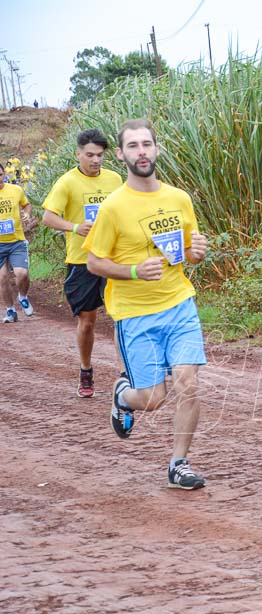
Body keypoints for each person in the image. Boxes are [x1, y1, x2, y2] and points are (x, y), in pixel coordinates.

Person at [83, 119, 211, 490]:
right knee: (153, 399)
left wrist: (196, 252)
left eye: (147, 144)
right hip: (135, 314)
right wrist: (135, 271)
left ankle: (179, 463)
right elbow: (94, 262)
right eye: (133, 146)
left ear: (157, 149)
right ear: (121, 155)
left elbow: (184, 251)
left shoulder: (178, 198)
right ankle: (123, 396)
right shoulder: (114, 207)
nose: (142, 152)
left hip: (179, 304)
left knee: (187, 383)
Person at [42, 128, 123, 397]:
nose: (95, 160)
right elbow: (48, 217)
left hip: (112, 258)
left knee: (120, 317)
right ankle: (86, 370)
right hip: (82, 260)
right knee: (87, 321)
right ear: (78, 154)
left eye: (100, 155)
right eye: (90, 155)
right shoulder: (67, 183)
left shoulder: (115, 179)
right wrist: (75, 227)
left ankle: (125, 374)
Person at [0, 170, 37, 323]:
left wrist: (27, 215)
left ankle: (23, 296)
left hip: (16, 241)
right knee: (2, 279)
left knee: (22, 274)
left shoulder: (15, 190)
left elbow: (26, 205)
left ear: (4, 175)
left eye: (0, 175)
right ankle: (10, 311)